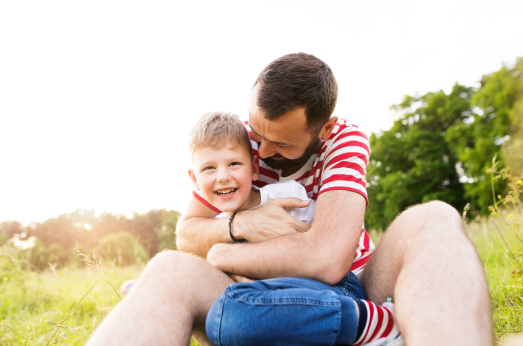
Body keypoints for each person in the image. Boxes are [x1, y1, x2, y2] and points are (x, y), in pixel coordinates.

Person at [87, 53, 492, 346]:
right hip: (257, 295)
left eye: (279, 142)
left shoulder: (344, 139)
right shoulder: (237, 143)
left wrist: (224, 255)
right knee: (168, 270)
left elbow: (327, 260)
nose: (259, 152)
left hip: (357, 286)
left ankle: (405, 330)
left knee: (434, 218)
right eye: (256, 135)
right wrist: (238, 225)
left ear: (324, 128)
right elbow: (188, 234)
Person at [187, 111, 400, 345]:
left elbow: (318, 250)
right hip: (281, 295)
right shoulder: (217, 225)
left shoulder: (286, 196)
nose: (223, 177)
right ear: (194, 180)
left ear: (254, 168)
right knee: (229, 309)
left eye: (234, 164)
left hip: (335, 286)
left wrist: (232, 259)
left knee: (229, 313)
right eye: (209, 168)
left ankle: (377, 322)